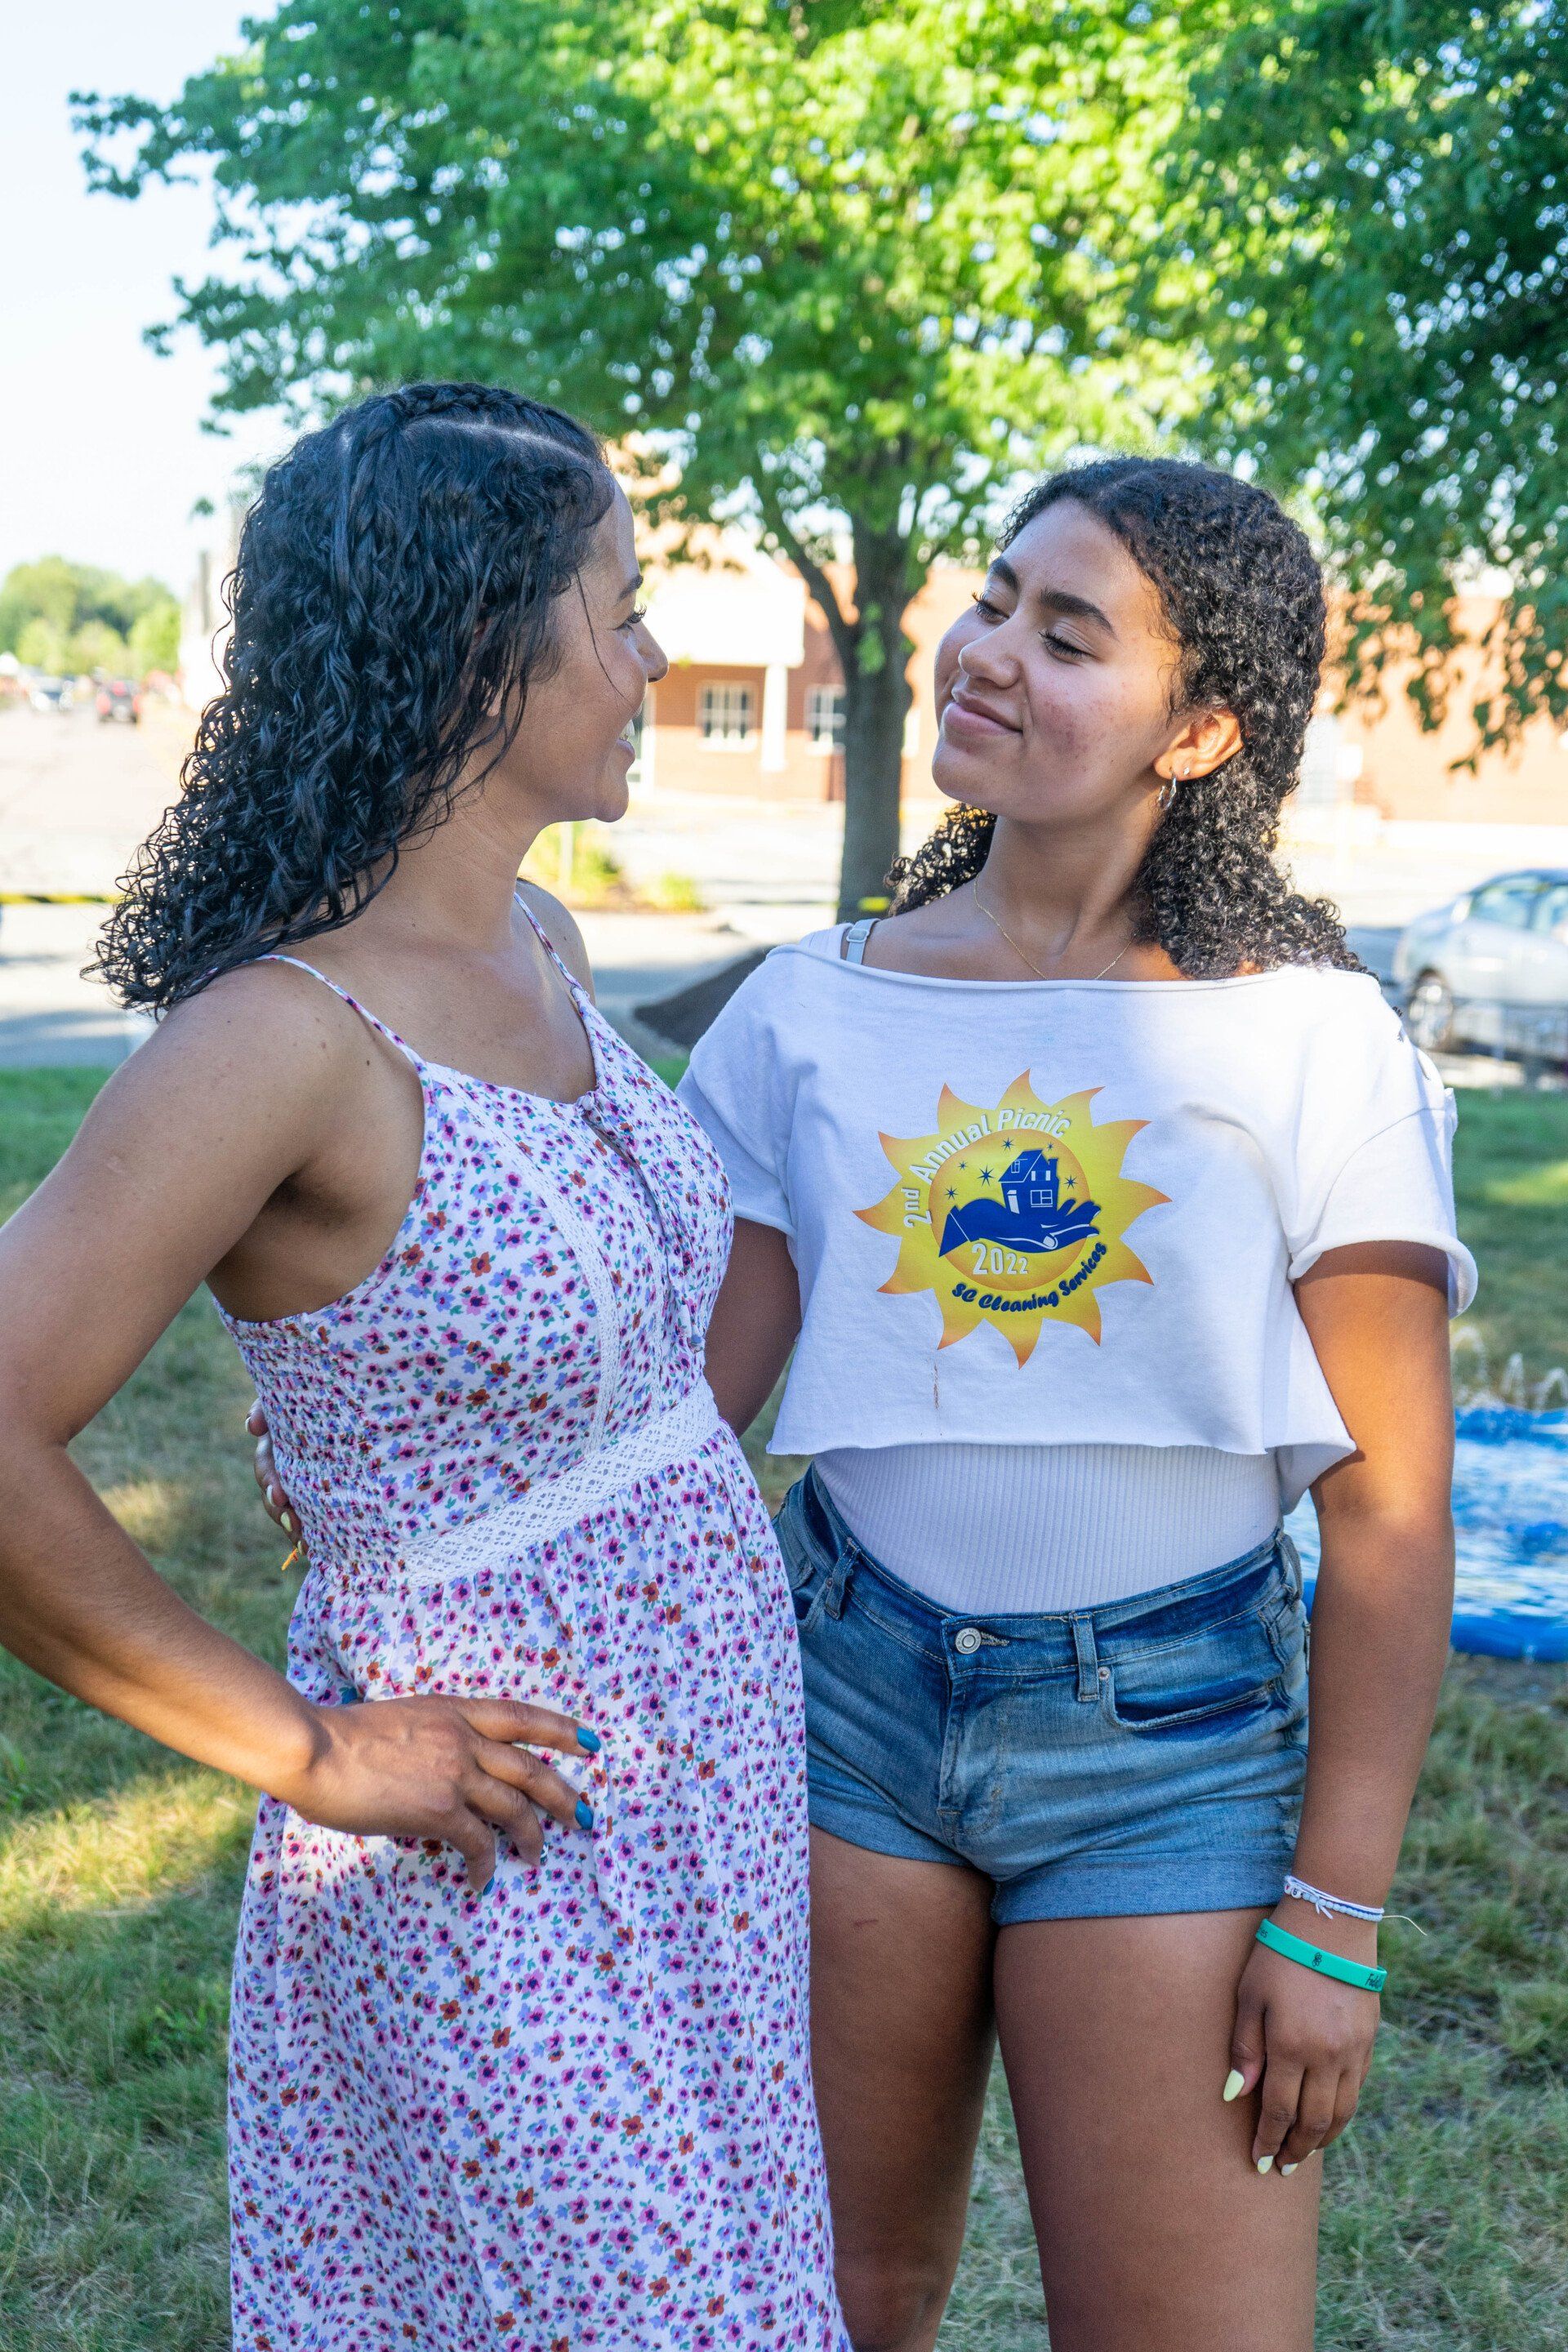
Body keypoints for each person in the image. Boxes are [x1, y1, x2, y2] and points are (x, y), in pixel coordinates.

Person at [0, 383, 847, 2352]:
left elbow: (582, 1353)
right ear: (483, 644)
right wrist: (308, 1751)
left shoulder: (540, 939)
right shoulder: (280, 1042)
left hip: (697, 1805)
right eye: (619, 611)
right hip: (497, 1838)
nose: (648, 661)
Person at [677, 459, 1473, 2351]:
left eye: (1067, 631)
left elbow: (1389, 1513)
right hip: (841, 1699)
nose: (985, 652)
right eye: (993, 598)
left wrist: (1334, 1914)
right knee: (842, 2301)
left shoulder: (1307, 1035)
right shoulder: (806, 1008)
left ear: (1198, 729)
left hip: (1173, 1739)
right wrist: (424, 1469)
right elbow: (681, 1410)